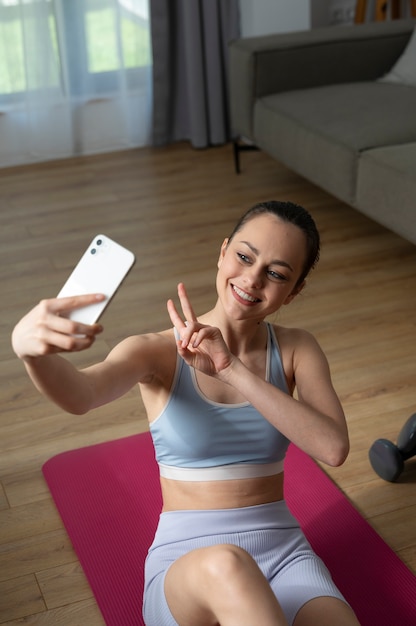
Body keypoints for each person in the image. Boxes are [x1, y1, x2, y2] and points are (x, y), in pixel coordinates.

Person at [12, 201, 360, 626]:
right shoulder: (156, 350)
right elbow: (82, 394)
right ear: (223, 251)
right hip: (192, 563)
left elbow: (333, 447)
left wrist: (232, 369)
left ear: (295, 290)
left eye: (277, 273)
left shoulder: (296, 348)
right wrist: (32, 355)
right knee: (228, 566)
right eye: (244, 257)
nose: (251, 279)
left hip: (285, 556)